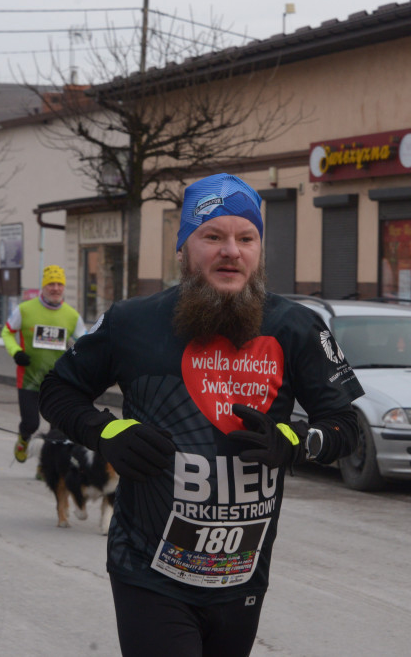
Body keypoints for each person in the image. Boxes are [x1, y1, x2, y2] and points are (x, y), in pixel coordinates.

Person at [39, 172, 363, 657]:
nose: (230, 250)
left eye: (245, 238)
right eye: (212, 236)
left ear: (258, 251)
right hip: (147, 570)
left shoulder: (296, 328)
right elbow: (58, 389)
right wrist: (106, 433)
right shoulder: (133, 322)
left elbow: (346, 425)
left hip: (241, 574)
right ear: (184, 249)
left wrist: (297, 441)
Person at [1, 264, 85, 463]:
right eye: (51, 284)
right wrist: (16, 352)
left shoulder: (72, 316)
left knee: (56, 427)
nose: (55, 288)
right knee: (30, 423)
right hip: (29, 378)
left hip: (58, 380)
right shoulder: (25, 309)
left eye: (59, 284)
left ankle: (45, 464)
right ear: (43, 286)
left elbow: (85, 342)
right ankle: (23, 439)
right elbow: (7, 332)